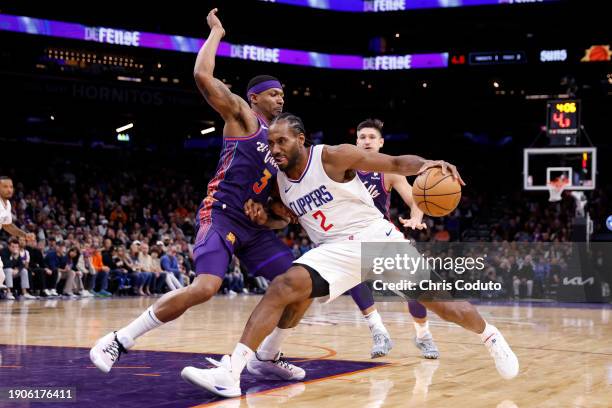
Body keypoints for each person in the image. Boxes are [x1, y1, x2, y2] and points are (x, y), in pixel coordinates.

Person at [180, 113, 519, 397]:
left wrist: (428, 163)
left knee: (446, 307)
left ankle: (491, 336)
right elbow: (283, 219)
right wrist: (264, 218)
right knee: (284, 286)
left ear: (300, 139)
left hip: (377, 240)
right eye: (270, 143)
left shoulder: (332, 156)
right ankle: (235, 370)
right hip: (334, 250)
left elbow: (396, 163)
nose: (275, 149)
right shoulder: (281, 181)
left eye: (281, 141)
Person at [90, 9, 304, 383]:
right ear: (254, 98)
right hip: (219, 214)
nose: (280, 100)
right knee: (206, 287)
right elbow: (202, 76)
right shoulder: (243, 117)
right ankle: (119, 340)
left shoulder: (279, 147)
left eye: (283, 95)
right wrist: (217, 33)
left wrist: (272, 217)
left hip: (251, 229)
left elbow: (276, 213)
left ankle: (266, 356)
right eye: (273, 94)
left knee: (302, 285)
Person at [348, 118, 438, 359]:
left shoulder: (388, 171)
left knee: (416, 290)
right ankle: (379, 332)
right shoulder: (343, 169)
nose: (366, 141)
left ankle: (423, 335)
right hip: (352, 237)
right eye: (362, 137)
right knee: (352, 276)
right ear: (356, 142)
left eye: (371, 137)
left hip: (382, 237)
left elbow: (415, 200)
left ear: (380, 143)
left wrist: (416, 217)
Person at [0, 176, 36, 298]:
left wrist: (25, 235)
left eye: (11, 186)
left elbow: (7, 226)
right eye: (5, 186)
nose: (9, 189)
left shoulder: (7, 204)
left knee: (1, 276)